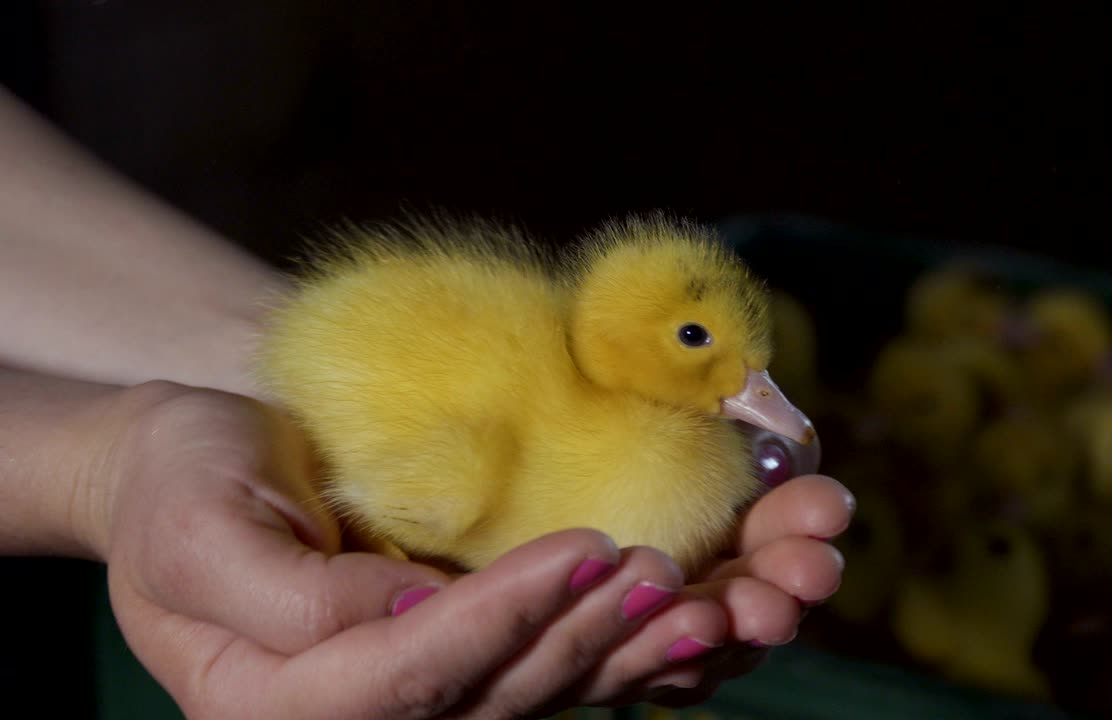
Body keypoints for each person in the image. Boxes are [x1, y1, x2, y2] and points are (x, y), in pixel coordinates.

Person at [0, 84, 853, 718]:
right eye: (701, 345)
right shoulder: (474, 467)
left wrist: (193, 395)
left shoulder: (577, 390)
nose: (764, 400)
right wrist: (96, 469)